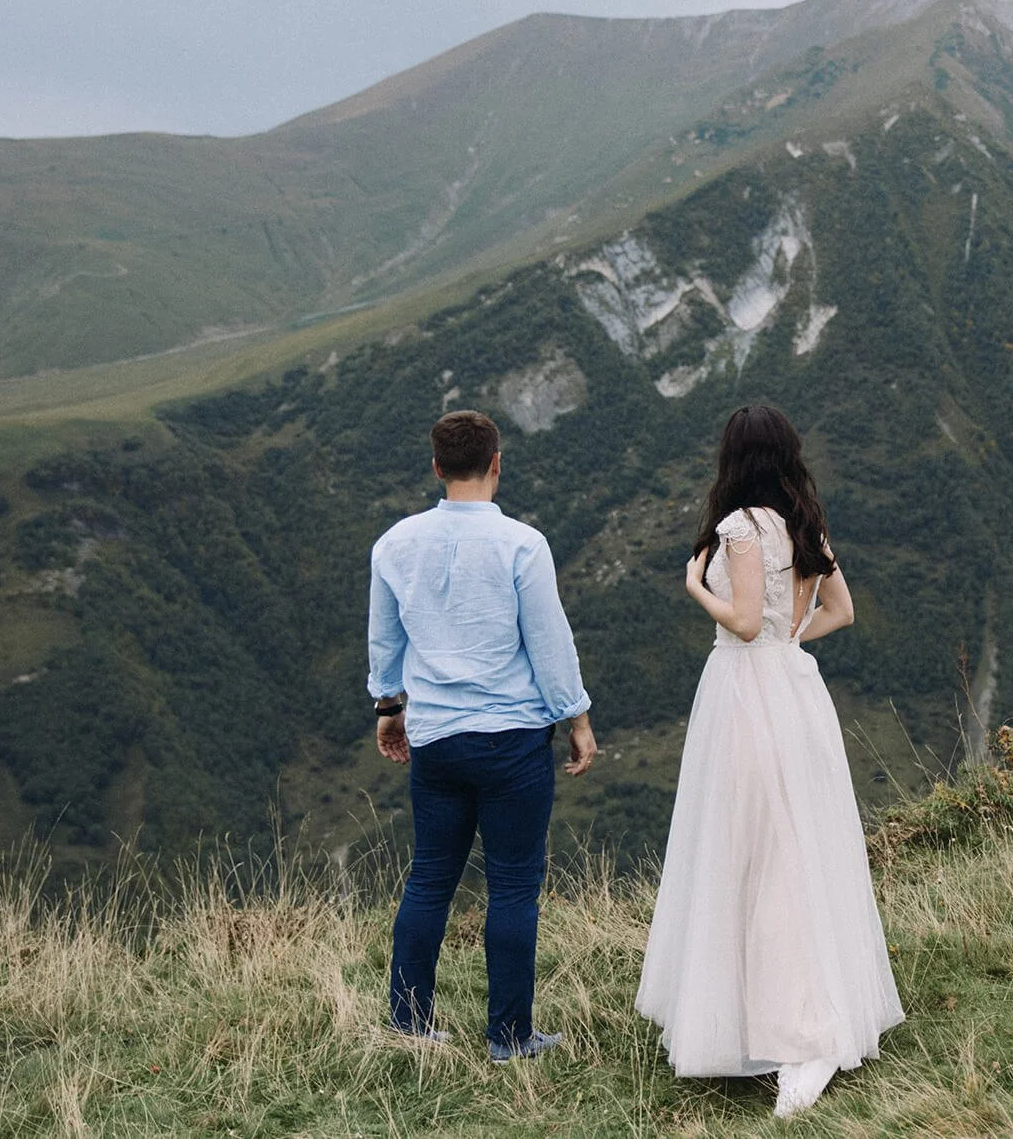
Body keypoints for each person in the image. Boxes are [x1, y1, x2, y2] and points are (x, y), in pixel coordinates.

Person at [637, 405, 904, 1118]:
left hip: (744, 690)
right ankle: (804, 1011)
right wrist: (793, 637)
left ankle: (784, 1028)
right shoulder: (804, 522)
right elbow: (839, 610)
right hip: (794, 687)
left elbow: (746, 620)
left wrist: (697, 588)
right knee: (798, 846)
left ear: (733, 457)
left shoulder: (739, 527)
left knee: (748, 847)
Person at [368, 409, 597, 1061]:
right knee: (515, 883)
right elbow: (549, 644)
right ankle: (508, 1036)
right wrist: (576, 718)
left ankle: (410, 1022)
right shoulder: (522, 545)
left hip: (437, 738)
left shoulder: (394, 545)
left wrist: (389, 707)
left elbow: (385, 639)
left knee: (430, 877)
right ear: (497, 463)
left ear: (437, 467)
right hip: (514, 738)